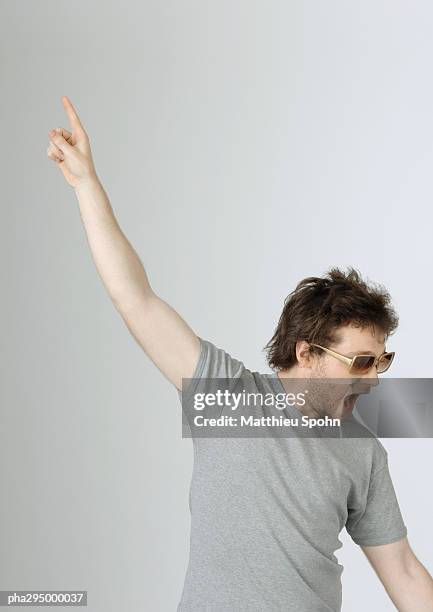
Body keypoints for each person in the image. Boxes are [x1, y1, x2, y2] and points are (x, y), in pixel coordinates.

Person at [47, 96, 433, 612]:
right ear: (308, 352)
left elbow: (404, 573)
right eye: (361, 362)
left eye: (381, 362)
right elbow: (134, 298)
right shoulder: (225, 396)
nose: (375, 380)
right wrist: (86, 186)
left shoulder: (363, 453)